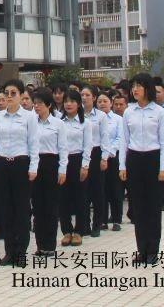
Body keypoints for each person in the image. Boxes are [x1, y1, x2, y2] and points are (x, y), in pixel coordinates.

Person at [118, 73, 164, 267]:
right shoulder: (129, 112)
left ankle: (153, 251)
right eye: (133, 86)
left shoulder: (159, 112)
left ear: (148, 88)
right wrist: (122, 165)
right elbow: (124, 141)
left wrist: (163, 167)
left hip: (153, 160)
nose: (135, 89)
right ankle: (142, 250)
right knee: (138, 208)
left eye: (139, 86)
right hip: (134, 160)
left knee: (153, 208)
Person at [0, 79, 37, 265]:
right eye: (6, 93)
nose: (9, 96)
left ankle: (21, 251)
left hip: (21, 164)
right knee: (5, 209)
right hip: (2, 164)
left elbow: (33, 143)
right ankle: (9, 251)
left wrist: (33, 167)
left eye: (13, 93)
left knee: (21, 210)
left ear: (21, 95)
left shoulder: (29, 117)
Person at [57, 88, 92, 247]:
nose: (68, 104)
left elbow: (88, 146)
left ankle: (79, 231)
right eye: (66, 101)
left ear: (78, 104)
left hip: (78, 160)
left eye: (72, 101)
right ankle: (66, 231)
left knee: (80, 198)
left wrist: (85, 165)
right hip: (62, 162)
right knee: (63, 198)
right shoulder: (59, 122)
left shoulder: (85, 123)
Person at [31, 88, 61, 255]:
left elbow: (63, 149)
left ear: (49, 105)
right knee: (38, 206)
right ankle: (40, 245)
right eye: (35, 103)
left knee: (50, 205)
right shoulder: (31, 123)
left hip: (51, 163)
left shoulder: (58, 124)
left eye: (40, 103)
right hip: (35, 164)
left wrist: (62, 170)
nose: (36, 106)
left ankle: (50, 245)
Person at [80, 86, 107, 236]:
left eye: (87, 95)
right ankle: (84, 225)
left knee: (97, 190)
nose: (84, 98)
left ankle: (97, 224)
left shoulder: (101, 116)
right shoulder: (78, 115)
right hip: (82, 153)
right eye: (82, 95)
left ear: (94, 97)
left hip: (96, 153)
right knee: (83, 191)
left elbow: (105, 137)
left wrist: (104, 157)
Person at [99, 92, 124, 230]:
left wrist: (109, 152)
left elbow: (120, 138)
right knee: (101, 189)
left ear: (111, 103)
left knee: (115, 189)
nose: (102, 104)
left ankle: (116, 219)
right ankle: (102, 220)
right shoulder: (94, 118)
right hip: (98, 158)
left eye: (105, 101)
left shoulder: (118, 119)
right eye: (100, 101)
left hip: (113, 157)